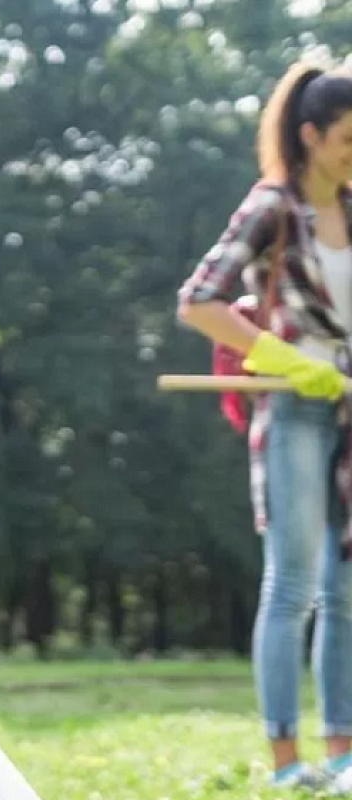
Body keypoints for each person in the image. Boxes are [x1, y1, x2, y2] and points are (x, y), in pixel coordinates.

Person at [178, 61, 352, 792]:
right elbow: (199, 300)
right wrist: (283, 355)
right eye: (348, 138)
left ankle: (344, 753)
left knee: (347, 591)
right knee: (292, 588)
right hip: (294, 408)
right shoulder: (271, 208)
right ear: (310, 135)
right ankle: (287, 762)